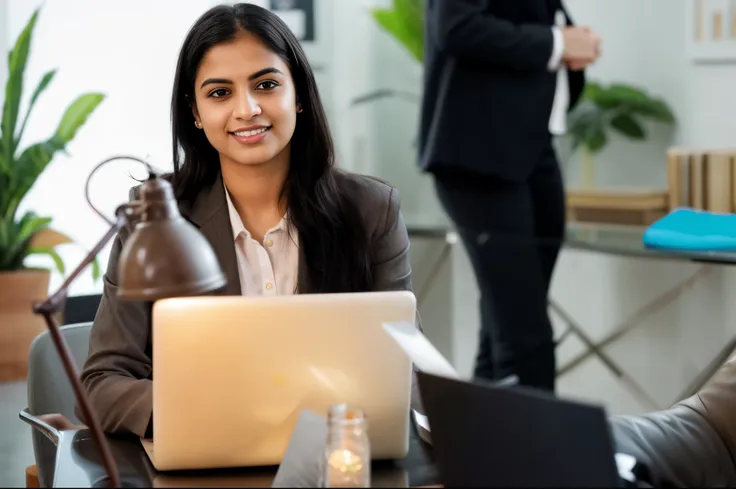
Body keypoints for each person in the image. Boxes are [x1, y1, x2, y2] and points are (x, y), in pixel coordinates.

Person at [77, 3, 422, 438]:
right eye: (220, 93)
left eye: (266, 84)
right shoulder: (156, 222)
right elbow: (101, 385)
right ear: (196, 113)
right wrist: (203, 413)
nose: (247, 109)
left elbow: (405, 366)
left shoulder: (372, 211)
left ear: (298, 95)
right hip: (205, 454)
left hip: (334, 456)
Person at [418, 0, 601, 391]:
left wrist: (574, 40)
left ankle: (476, 444)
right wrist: (557, 42)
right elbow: (455, 26)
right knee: (524, 331)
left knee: (507, 323)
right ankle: (539, 447)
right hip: (479, 153)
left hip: (532, 146)